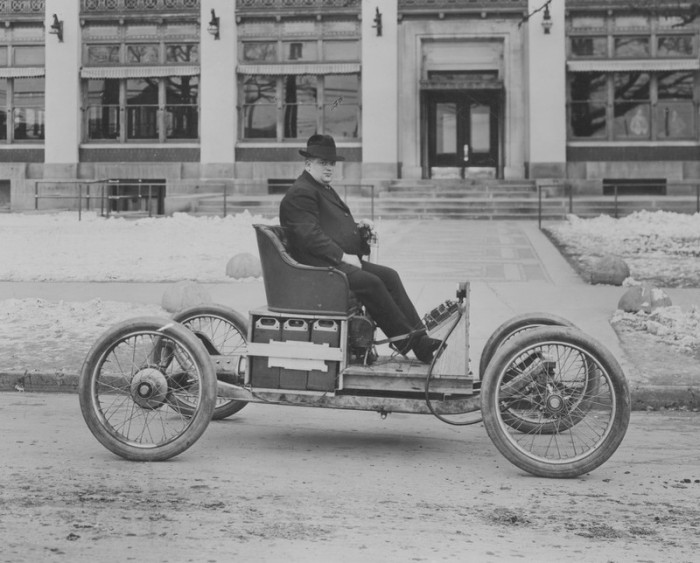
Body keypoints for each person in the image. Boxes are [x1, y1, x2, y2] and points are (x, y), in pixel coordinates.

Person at [279, 134, 441, 364]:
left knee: (389, 275)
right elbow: (309, 236)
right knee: (371, 282)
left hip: (330, 261)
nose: (329, 168)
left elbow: (327, 227)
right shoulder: (301, 192)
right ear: (308, 164)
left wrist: (358, 231)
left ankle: (420, 339)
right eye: (322, 163)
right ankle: (408, 341)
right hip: (316, 269)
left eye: (332, 163)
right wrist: (342, 255)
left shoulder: (319, 188)